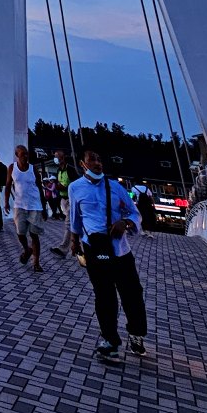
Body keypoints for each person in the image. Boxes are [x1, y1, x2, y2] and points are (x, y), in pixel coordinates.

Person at [66, 149, 149, 358]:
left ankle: (136, 335)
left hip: (120, 250)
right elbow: (76, 218)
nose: (97, 163)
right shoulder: (75, 188)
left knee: (132, 294)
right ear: (82, 164)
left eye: (99, 159)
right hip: (94, 248)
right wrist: (74, 241)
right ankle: (110, 340)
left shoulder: (115, 187)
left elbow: (134, 212)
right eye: (92, 159)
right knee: (104, 296)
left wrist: (126, 222)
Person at [7, 144, 45, 271]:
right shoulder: (12, 168)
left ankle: (36, 263)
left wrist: (44, 207)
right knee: (20, 233)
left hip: (35, 206)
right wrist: (6, 202)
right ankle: (27, 249)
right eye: (23, 154)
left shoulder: (33, 169)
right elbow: (8, 185)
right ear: (17, 155)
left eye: (27, 153)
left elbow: (40, 187)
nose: (25, 156)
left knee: (34, 235)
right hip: (19, 206)